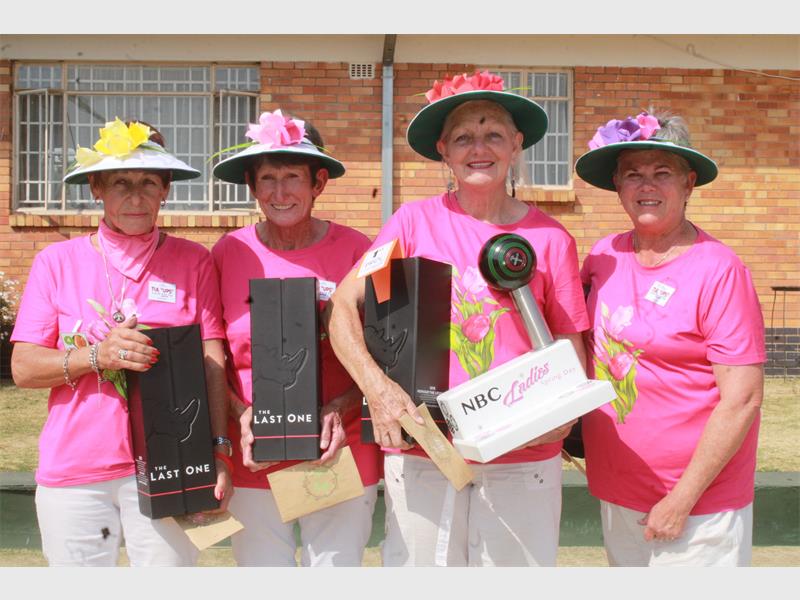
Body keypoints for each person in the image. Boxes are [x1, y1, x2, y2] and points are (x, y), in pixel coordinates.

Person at [326, 71, 589, 567]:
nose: (479, 148)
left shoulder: (552, 239)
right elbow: (342, 306)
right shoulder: (411, 224)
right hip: (427, 451)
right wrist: (378, 391)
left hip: (522, 457)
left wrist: (565, 413)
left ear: (516, 144)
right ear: (444, 151)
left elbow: (569, 343)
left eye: (493, 135)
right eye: (464, 137)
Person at [10, 118, 233, 566]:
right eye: (120, 183)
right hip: (76, 470)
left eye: (148, 182)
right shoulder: (56, 261)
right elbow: (24, 368)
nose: (136, 196)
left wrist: (218, 451)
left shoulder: (194, 261)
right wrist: (97, 355)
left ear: (165, 189)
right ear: (96, 188)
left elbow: (212, 360)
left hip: (172, 461)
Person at [575, 110, 765, 566]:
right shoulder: (603, 256)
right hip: (618, 491)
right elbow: (574, 345)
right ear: (617, 185)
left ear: (688, 183)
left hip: (697, 507)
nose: (647, 186)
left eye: (662, 173)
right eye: (633, 174)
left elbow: (742, 400)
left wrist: (681, 500)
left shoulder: (719, 270)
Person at [211, 109, 381, 567]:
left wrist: (341, 408)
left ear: (318, 183)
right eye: (268, 178)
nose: (280, 192)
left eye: (292, 177)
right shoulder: (229, 252)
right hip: (255, 451)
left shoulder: (357, 251)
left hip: (337, 448)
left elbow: (384, 355)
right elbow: (213, 353)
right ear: (252, 186)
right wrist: (240, 413)